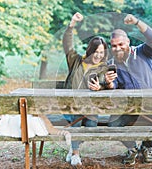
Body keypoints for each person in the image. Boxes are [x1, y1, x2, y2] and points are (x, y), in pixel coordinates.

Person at [104, 14, 152, 165]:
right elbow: (114, 85)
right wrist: (109, 84)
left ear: (128, 42)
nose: (117, 48)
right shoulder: (111, 63)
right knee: (113, 124)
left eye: (120, 44)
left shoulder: (143, 52)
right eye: (114, 45)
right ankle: (132, 148)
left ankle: (146, 147)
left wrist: (136, 22)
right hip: (129, 111)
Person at [62, 12, 109, 166]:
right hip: (71, 105)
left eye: (102, 53)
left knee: (91, 126)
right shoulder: (76, 60)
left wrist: (100, 88)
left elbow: (105, 85)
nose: (98, 55)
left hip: (90, 107)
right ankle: (75, 153)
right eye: (96, 52)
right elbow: (67, 44)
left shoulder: (103, 68)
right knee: (77, 118)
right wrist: (72, 23)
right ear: (90, 50)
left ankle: (72, 147)